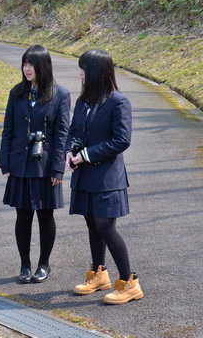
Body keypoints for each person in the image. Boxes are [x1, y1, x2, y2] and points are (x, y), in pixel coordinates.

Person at [65, 49, 143, 305]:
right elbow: (72, 130)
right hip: (85, 174)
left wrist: (85, 155)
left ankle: (129, 282)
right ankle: (99, 274)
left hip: (108, 177)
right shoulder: (83, 101)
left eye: (84, 69)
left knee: (105, 227)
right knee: (92, 225)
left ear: (96, 72)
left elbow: (121, 140)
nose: (81, 73)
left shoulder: (118, 101)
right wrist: (69, 152)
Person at [0, 45, 71, 284]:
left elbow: (62, 134)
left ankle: (44, 264)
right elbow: (8, 129)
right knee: (23, 214)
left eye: (31, 64)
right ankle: (24, 264)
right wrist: (5, 161)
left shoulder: (60, 95)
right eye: (24, 64)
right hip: (19, 162)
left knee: (45, 214)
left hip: (46, 164)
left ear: (43, 66)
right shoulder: (17, 92)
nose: (26, 68)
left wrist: (58, 168)